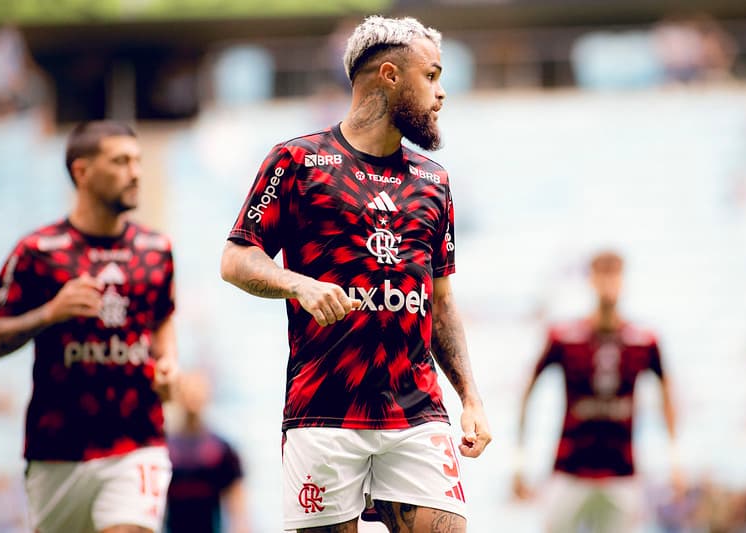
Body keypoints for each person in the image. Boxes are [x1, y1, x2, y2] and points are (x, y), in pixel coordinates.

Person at [220, 15, 491, 533]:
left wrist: (470, 397)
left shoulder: (434, 180)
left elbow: (441, 300)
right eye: (430, 76)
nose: (441, 93)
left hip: (416, 412)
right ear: (389, 75)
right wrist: (296, 282)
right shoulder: (297, 161)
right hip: (323, 411)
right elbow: (236, 259)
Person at [0, 120, 178, 533]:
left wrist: (169, 362)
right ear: (82, 171)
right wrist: (48, 313)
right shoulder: (37, 252)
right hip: (57, 449)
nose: (136, 172)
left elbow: (163, 316)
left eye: (138, 161)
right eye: (121, 161)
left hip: (137, 441)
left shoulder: (156, 249)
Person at [511, 251, 680, 533]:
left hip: (621, 474)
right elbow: (528, 390)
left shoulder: (643, 341)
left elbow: (667, 392)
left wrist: (674, 459)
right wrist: (520, 461)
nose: (609, 284)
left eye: (615, 275)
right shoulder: (564, 337)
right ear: (590, 280)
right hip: (569, 471)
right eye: (602, 275)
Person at [165, 371, 250, 533]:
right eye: (188, 390)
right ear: (178, 395)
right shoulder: (165, 451)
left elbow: (238, 510)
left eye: (198, 391)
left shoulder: (221, 450)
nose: (193, 396)